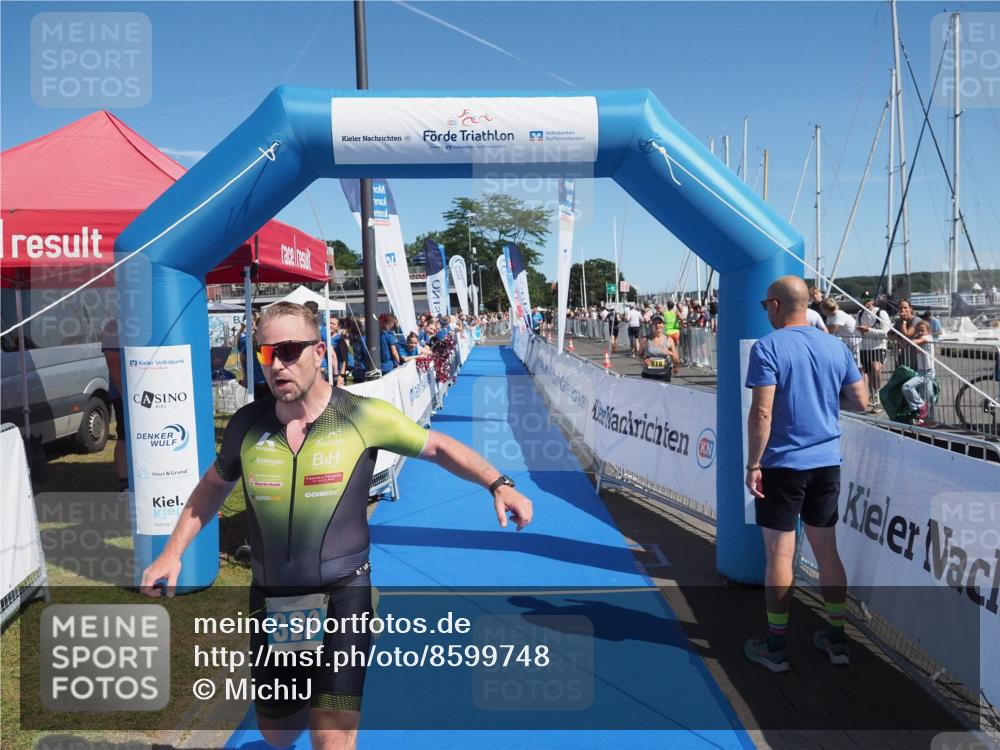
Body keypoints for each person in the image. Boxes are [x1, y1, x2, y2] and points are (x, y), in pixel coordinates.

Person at [140, 302, 533, 750]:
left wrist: (498, 483)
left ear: (321, 352)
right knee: (279, 732)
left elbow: (438, 447)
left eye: (289, 350)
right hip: (274, 598)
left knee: (331, 735)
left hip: (343, 593)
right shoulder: (248, 424)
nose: (277, 364)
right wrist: (173, 551)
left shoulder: (361, 415)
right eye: (266, 353)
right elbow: (213, 487)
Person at [744, 276, 868, 673]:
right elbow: (861, 401)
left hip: (783, 464)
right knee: (827, 553)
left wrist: (753, 464)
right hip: (826, 461)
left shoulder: (768, 347)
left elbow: (762, 412)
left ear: (777, 305)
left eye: (766, 305)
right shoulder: (835, 345)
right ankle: (836, 640)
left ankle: (776, 647)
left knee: (779, 555)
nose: (766, 312)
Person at [100, 318, 129, 492]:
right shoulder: (113, 326)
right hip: (123, 394)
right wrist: (125, 394)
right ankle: (124, 484)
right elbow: (112, 362)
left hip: (149, 394)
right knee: (125, 436)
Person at [856, 297, 892, 412]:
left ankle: (877, 397)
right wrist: (860, 331)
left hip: (879, 347)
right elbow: (856, 330)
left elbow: (886, 332)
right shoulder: (860, 313)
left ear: (872, 301)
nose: (865, 302)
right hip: (865, 348)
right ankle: (873, 397)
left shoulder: (881, 313)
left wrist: (869, 330)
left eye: (868, 300)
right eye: (863, 300)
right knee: (869, 374)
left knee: (875, 368)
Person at [901, 319, 936, 426]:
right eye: (919, 331)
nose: (921, 332)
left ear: (928, 331)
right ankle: (929, 420)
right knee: (928, 395)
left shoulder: (928, 338)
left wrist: (907, 342)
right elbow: (907, 345)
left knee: (907, 387)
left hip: (928, 372)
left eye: (923, 330)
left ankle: (921, 407)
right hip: (922, 371)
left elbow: (916, 342)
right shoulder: (920, 339)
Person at [637, 315, 681, 381]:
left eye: (660, 323)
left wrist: (670, 353)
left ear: (663, 325)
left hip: (664, 375)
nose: (658, 325)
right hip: (648, 375)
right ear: (652, 325)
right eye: (655, 323)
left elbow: (677, 360)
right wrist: (643, 360)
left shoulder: (669, 340)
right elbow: (639, 354)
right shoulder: (645, 339)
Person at [238, 313, 269, 401]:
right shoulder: (248, 342)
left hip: (269, 380)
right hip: (257, 381)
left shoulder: (269, 341)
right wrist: (245, 376)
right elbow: (241, 355)